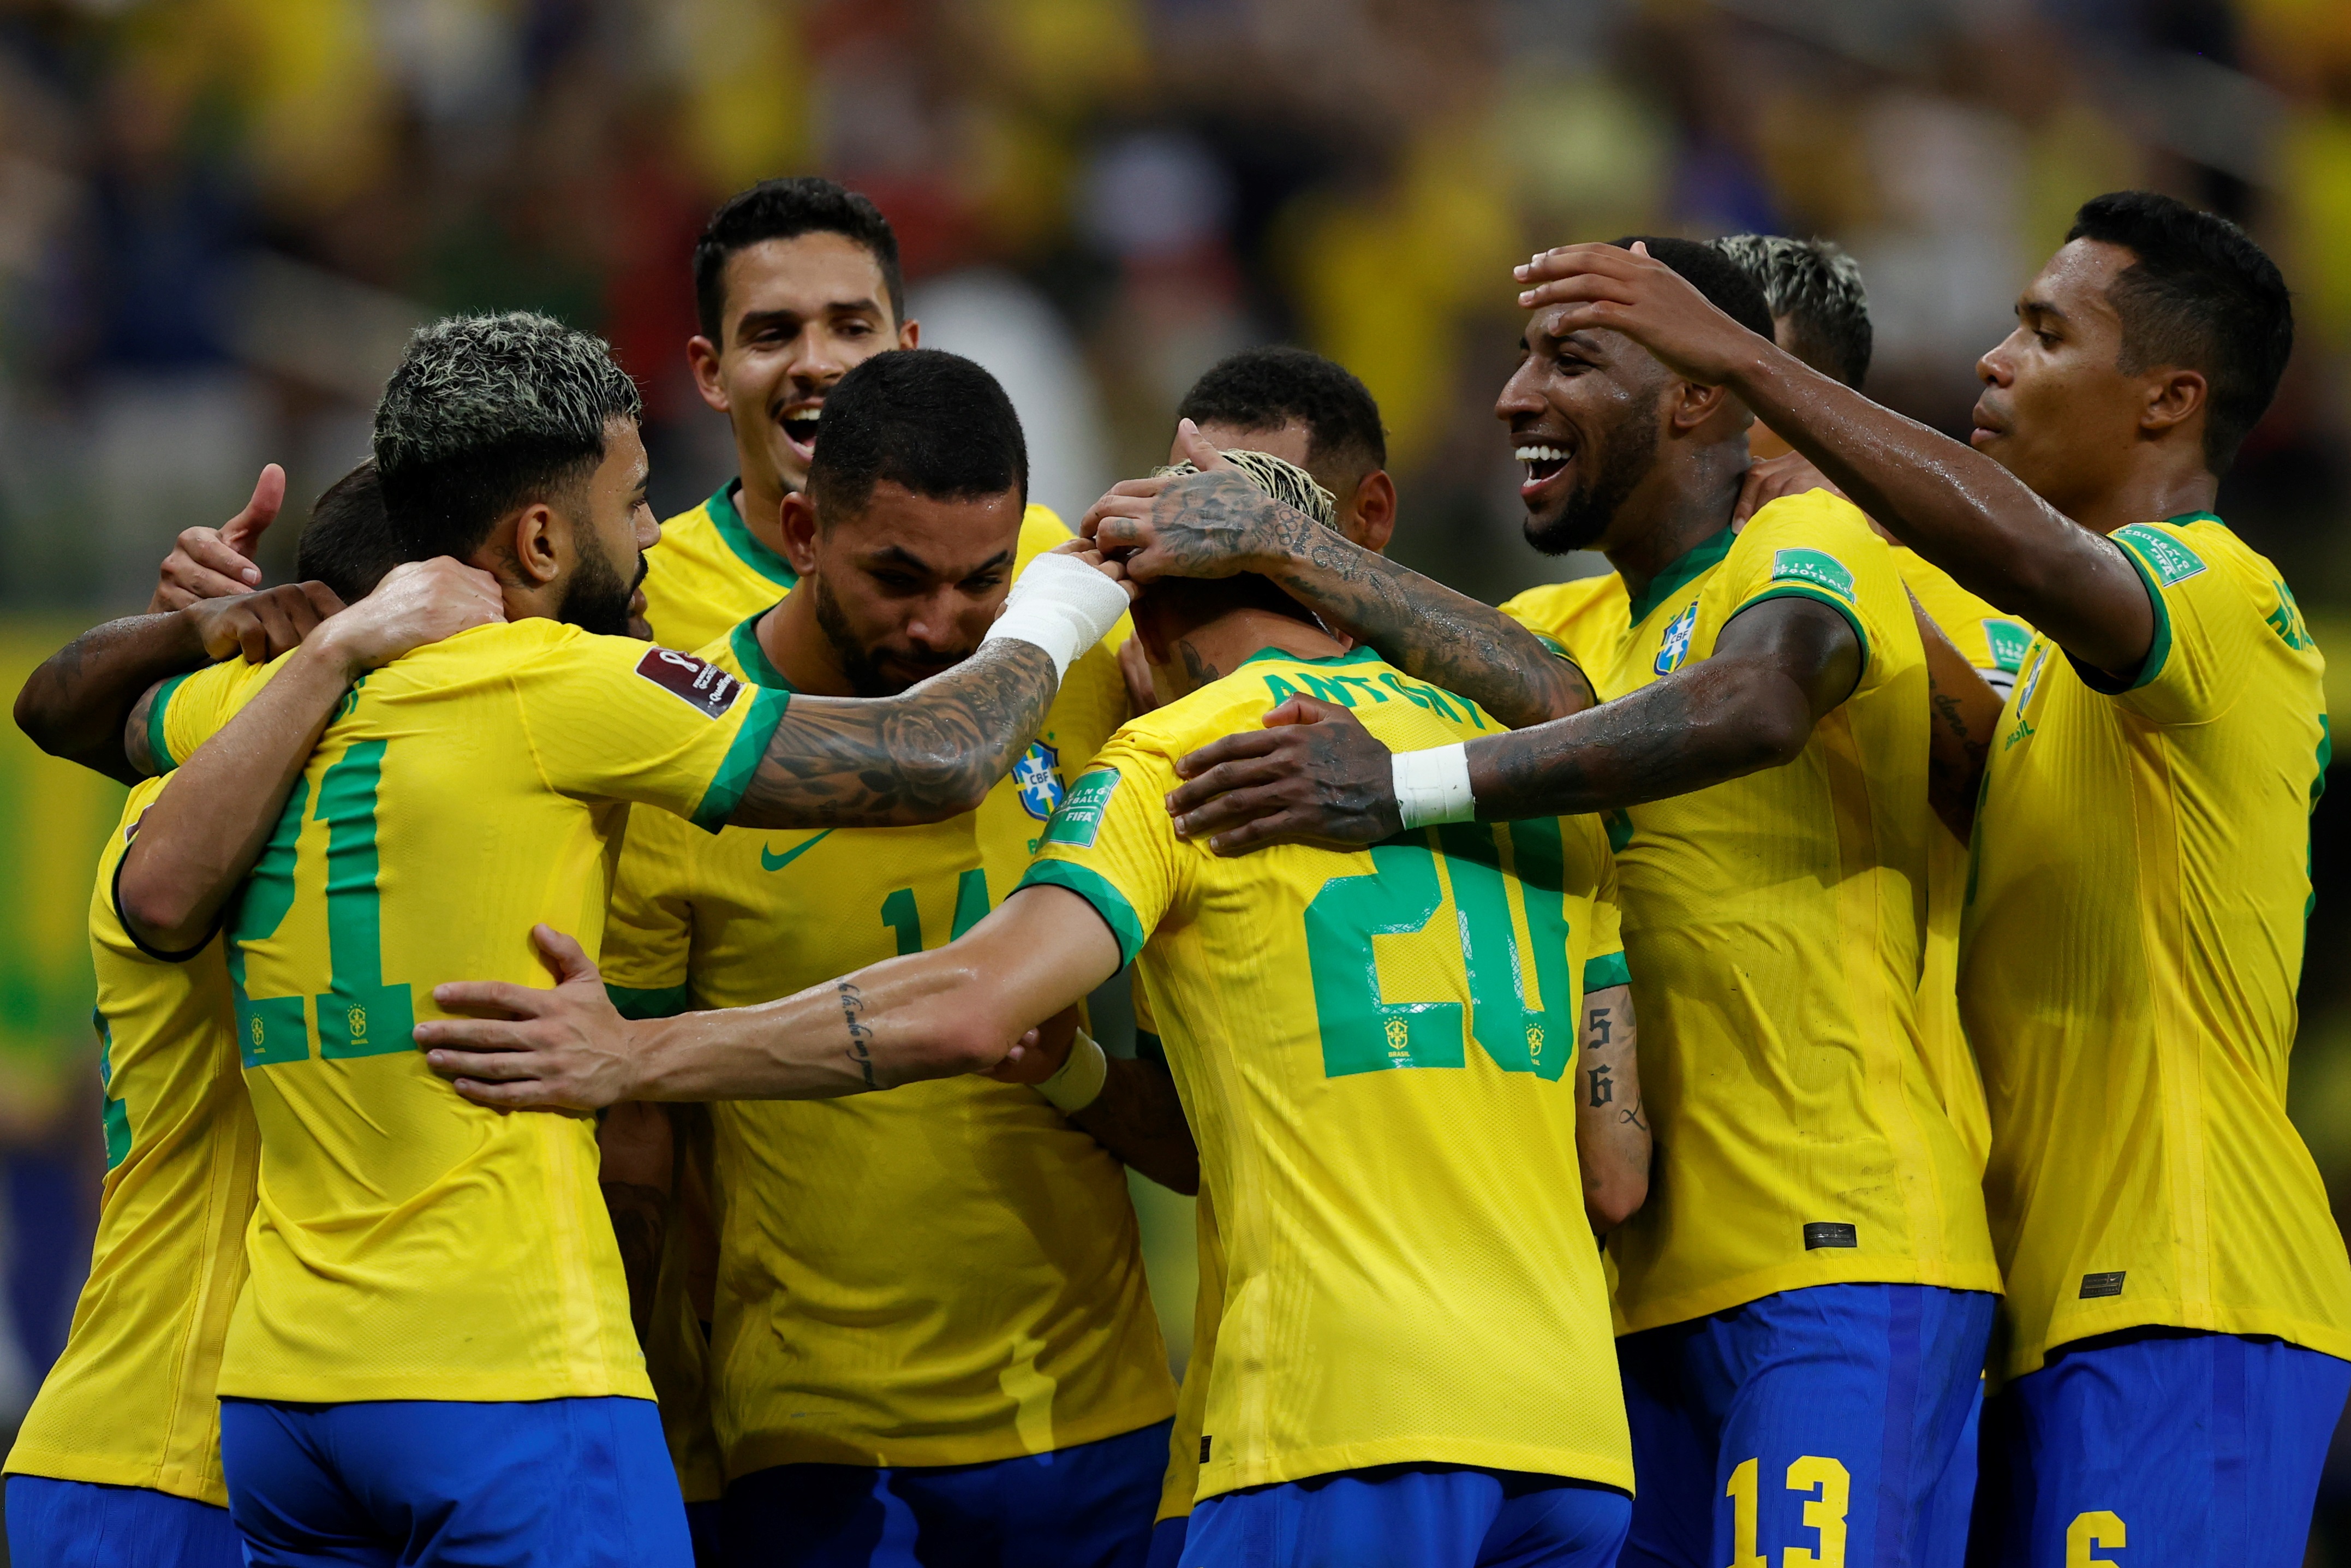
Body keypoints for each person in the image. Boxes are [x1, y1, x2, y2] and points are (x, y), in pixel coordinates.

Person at [412, 445, 1649, 1568]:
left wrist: (632, 1052)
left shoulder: (1186, 762)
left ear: (1142, 609)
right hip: (1573, 1444)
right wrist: (1070, 1074)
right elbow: (1613, 1167)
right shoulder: (1510, 766)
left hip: (1344, 1426)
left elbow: (968, 1000)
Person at [104, 318, 1132, 1566]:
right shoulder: (562, 687)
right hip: (506, 1374)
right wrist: (1060, 609)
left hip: (284, 1403)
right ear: (540, 538)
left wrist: (301, 635)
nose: (653, 533)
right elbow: (933, 758)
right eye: (633, 499)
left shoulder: (265, 704)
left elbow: (69, 711)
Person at [1085, 238, 2002, 1568]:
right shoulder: (1553, 637)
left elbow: (1750, 706)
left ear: (1697, 398)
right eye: (1521, 357)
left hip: (1836, 1253)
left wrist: (1395, 775)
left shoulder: (1802, 540)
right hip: (1613, 1302)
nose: (1514, 395)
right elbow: (1492, 685)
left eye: (1567, 359)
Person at [1506, 192, 2351, 1566]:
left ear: (2166, 400)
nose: (1991, 360)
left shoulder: (2218, 593)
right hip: (2030, 1301)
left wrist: (1748, 368)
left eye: (2042, 332)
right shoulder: (2043, 687)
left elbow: (2025, 556)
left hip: (2185, 1287)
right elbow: (1874, 681)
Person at [595, 347, 1183, 1568]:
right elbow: (639, 1142)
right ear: (803, 528)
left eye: (985, 581)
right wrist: (638, 1403)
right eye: (898, 578)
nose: (944, 625)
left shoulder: (1077, 676)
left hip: (1099, 1415)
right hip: (813, 1433)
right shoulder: (678, 760)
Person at [0, 477, 482, 1568]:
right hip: (168, 1454)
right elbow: (51, 709)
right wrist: (192, 634)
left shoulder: (480, 787)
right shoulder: (212, 798)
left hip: (337, 1448)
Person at [648, 176, 1077, 654]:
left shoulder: (1043, 559)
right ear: (712, 373)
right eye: (772, 334)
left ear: (906, 350)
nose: (816, 363)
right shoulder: (642, 599)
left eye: (852, 328)